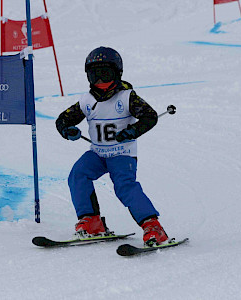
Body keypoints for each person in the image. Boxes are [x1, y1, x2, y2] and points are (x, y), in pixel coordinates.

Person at [55, 46, 168, 246]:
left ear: (117, 73)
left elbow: (149, 117)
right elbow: (62, 120)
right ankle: (91, 221)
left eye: (105, 75)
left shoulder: (127, 97)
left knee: (124, 186)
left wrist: (133, 131)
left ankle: (153, 226)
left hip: (122, 154)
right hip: (97, 153)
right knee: (78, 174)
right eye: (94, 76)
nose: (100, 82)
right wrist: (67, 130)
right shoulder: (87, 100)